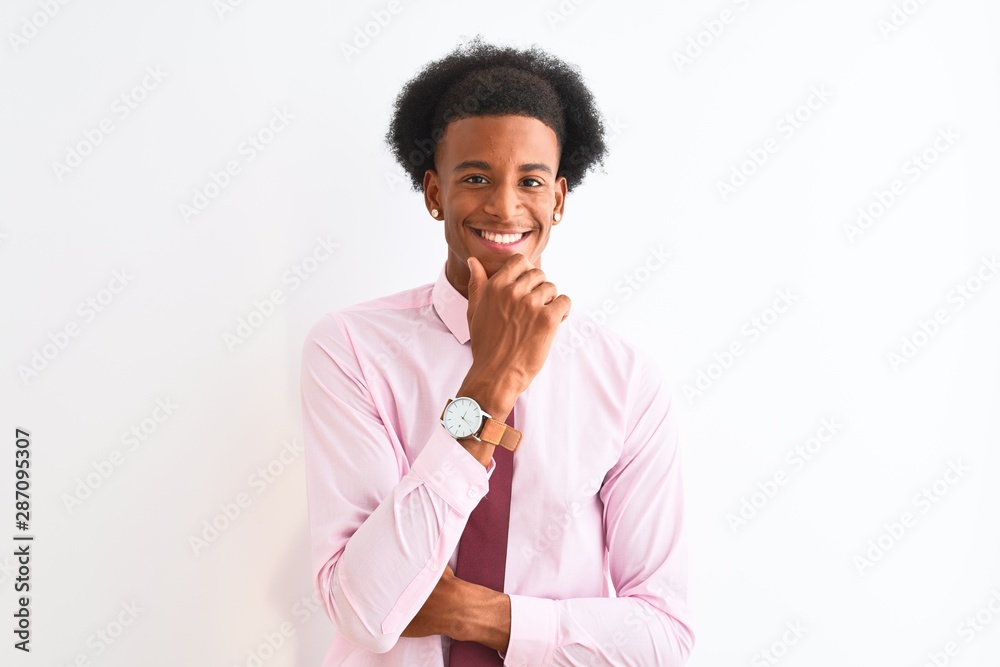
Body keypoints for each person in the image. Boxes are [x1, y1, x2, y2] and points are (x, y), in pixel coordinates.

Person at [301, 35, 694, 666]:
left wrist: (476, 613)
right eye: (476, 177)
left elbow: (663, 639)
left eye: (530, 181)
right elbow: (366, 608)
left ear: (557, 200)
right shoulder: (352, 348)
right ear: (435, 193)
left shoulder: (627, 381)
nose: (504, 206)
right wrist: (490, 380)